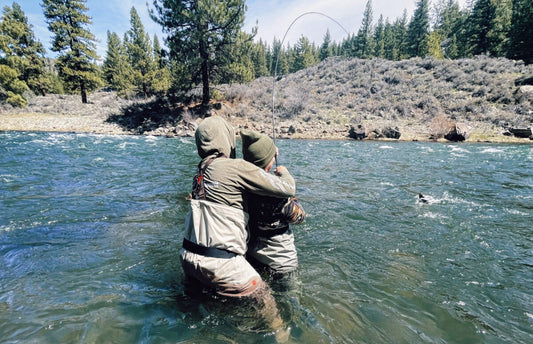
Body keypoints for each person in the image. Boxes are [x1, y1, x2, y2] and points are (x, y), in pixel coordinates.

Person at [180, 116, 295, 337]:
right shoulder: (236, 167)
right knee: (265, 300)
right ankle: (283, 338)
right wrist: (283, 170)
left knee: (206, 314)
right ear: (225, 139)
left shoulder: (201, 171)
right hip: (220, 265)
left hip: (187, 260)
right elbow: (287, 188)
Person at [240, 130, 305, 279]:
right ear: (269, 163)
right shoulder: (278, 193)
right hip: (281, 263)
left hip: (251, 258)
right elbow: (298, 216)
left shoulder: (241, 188)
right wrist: (284, 175)